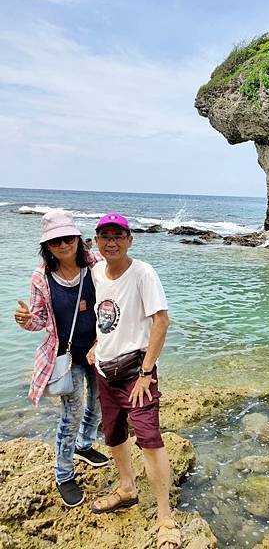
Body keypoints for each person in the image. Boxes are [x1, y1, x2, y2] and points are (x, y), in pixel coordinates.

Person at [88, 213, 180, 549]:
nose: (111, 242)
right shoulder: (97, 271)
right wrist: (98, 345)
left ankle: (165, 516)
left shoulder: (143, 273)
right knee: (113, 435)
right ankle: (127, 488)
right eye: (104, 236)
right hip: (104, 369)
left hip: (135, 373)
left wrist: (145, 372)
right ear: (96, 241)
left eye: (118, 236)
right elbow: (106, 315)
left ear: (130, 240)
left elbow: (161, 321)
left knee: (150, 440)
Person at [14, 209, 109, 508]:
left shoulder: (96, 264)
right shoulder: (41, 277)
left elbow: (113, 300)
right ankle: (63, 474)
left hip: (98, 349)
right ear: (48, 247)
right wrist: (25, 320)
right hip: (65, 356)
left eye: (68, 238)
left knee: (97, 404)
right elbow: (39, 320)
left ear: (78, 239)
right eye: (56, 241)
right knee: (72, 413)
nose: (64, 244)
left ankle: (84, 446)